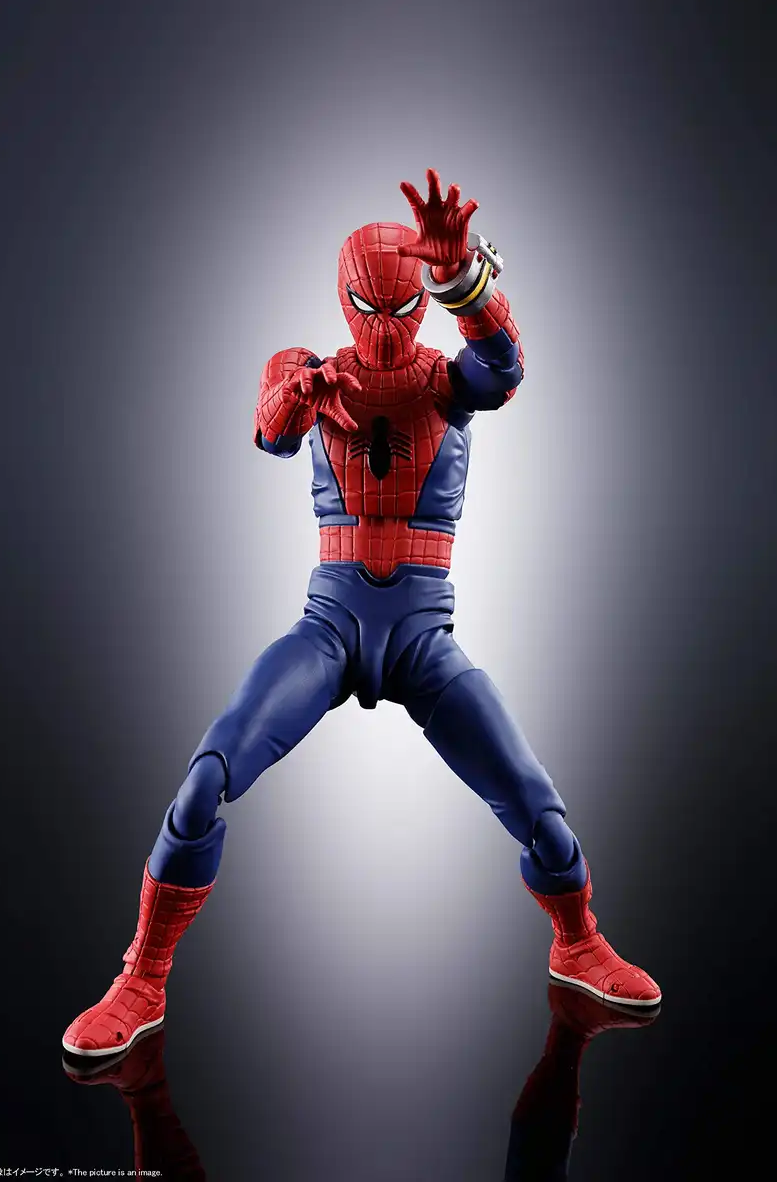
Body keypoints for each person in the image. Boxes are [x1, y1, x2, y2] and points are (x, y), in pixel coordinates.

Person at [63, 169, 660, 1059]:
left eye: (401, 305)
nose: (383, 327)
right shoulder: (307, 368)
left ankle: (578, 942)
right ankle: (141, 977)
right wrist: (303, 394)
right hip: (330, 626)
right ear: (343, 298)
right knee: (203, 780)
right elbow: (270, 432)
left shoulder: (448, 381)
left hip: (421, 636)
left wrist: (464, 281)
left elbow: (504, 368)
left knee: (540, 810)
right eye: (368, 307)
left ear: (421, 300)